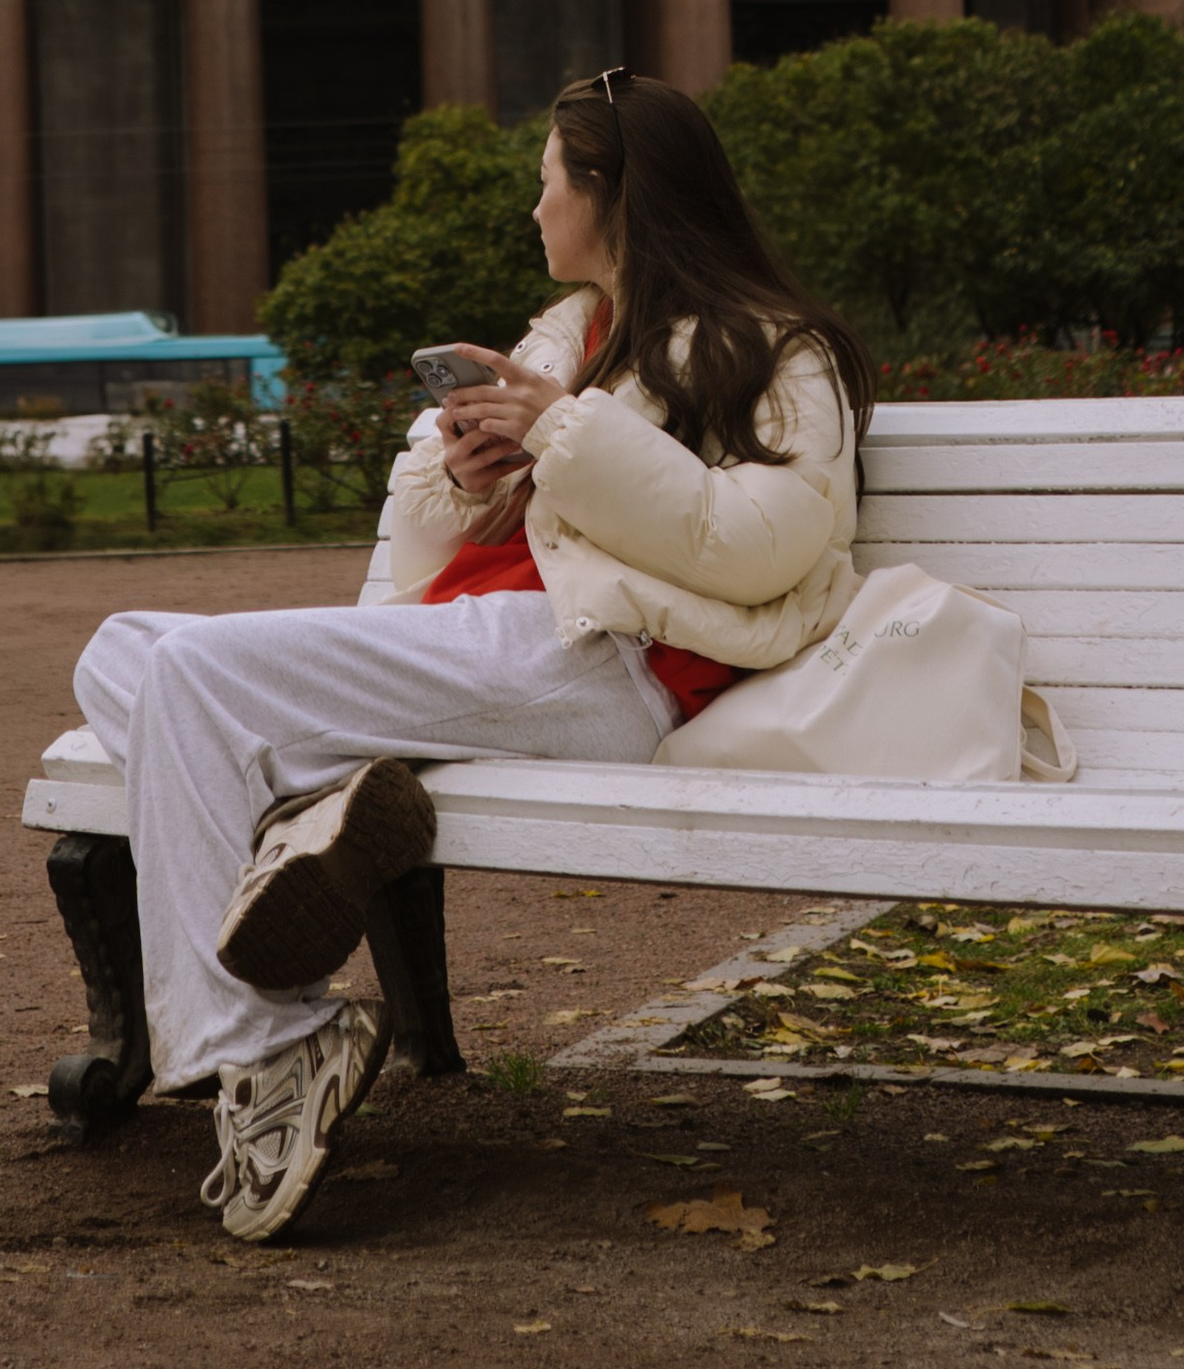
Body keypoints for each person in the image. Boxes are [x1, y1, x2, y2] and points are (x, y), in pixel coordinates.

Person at [72, 68, 870, 1242]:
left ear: (612, 193)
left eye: (548, 184)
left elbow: (755, 547)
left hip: (606, 661)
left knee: (193, 681)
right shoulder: (579, 336)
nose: (533, 210)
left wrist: (558, 429)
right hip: (489, 639)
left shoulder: (773, 350)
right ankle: (314, 822)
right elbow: (471, 539)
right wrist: (464, 474)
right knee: (119, 650)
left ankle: (273, 1039)